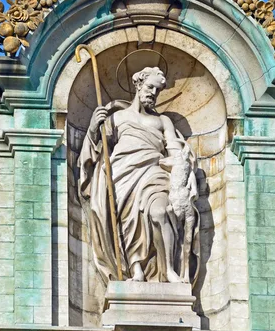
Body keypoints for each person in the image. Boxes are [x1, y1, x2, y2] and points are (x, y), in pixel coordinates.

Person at [79, 66, 199, 283]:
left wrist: (182, 167)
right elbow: (97, 149)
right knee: (127, 221)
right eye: (150, 87)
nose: (153, 93)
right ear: (138, 85)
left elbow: (175, 153)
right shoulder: (116, 118)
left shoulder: (163, 121)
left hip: (154, 173)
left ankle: (169, 270)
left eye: (158, 90)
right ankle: (136, 270)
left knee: (161, 212)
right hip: (122, 175)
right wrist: (93, 129)